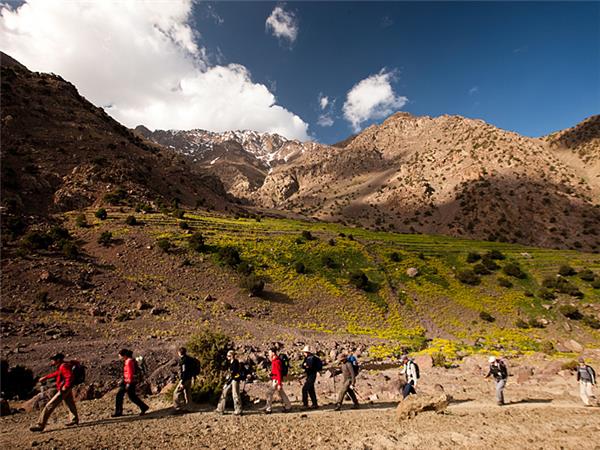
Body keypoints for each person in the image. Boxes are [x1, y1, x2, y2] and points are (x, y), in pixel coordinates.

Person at [30, 353, 79, 432]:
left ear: (58, 360)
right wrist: (46, 377)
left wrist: (65, 386)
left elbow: (69, 376)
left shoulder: (63, 366)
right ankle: (74, 419)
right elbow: (58, 373)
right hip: (67, 388)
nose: (52, 362)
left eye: (53, 360)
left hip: (64, 389)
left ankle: (40, 425)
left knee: (49, 405)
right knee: (70, 403)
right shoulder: (64, 365)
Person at [112, 349, 149, 417]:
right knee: (130, 396)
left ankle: (119, 411)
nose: (120, 358)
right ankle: (143, 407)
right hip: (129, 381)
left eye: (120, 356)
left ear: (124, 355)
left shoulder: (129, 362)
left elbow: (130, 373)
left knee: (124, 396)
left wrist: (128, 383)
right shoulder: (130, 361)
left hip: (129, 382)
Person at [265, 347, 291, 414]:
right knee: (281, 393)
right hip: (276, 379)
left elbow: (279, 373)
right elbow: (277, 372)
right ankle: (288, 406)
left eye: (269, 352)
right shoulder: (275, 361)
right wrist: (271, 374)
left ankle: (268, 409)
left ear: (273, 353)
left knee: (269, 393)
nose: (268, 354)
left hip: (276, 380)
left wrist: (279, 383)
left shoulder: (276, 362)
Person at [216, 350, 243, 416]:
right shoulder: (230, 363)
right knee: (224, 392)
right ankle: (220, 409)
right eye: (227, 356)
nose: (227, 357)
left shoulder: (235, 362)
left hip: (235, 380)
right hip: (231, 380)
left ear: (232, 356)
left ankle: (238, 410)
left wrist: (227, 383)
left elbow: (233, 374)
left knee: (235, 394)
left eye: (229, 356)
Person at [172, 347, 194, 414]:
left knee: (176, 392)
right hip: (189, 378)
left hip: (184, 379)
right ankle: (190, 408)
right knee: (188, 393)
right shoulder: (189, 359)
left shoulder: (183, 360)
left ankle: (178, 408)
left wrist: (182, 381)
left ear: (179, 353)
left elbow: (184, 372)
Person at [301, 345, 322, 410]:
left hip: (311, 375)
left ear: (307, 352)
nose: (304, 353)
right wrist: (305, 366)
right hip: (310, 375)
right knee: (310, 389)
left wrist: (306, 366)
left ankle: (305, 404)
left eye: (304, 352)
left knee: (304, 389)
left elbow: (308, 366)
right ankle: (314, 404)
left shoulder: (311, 358)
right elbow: (303, 365)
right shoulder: (309, 358)